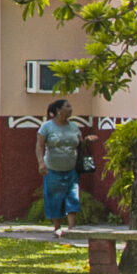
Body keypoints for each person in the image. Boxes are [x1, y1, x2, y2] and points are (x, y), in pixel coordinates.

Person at [39, 99, 86, 237]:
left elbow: (80, 144)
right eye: (67, 106)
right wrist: (41, 162)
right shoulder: (47, 127)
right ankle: (57, 227)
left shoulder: (73, 127)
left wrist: (87, 141)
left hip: (71, 169)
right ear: (58, 110)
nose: (71, 109)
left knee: (73, 197)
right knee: (54, 197)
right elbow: (39, 146)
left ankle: (72, 228)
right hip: (52, 169)